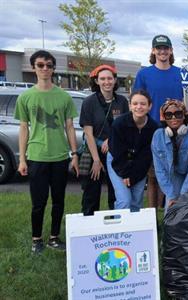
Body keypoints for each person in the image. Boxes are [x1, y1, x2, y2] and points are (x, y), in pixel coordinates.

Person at [15, 50, 79, 253]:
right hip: (37, 157)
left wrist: (74, 154)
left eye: (49, 65)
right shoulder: (26, 97)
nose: (45, 69)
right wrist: (22, 159)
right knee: (39, 202)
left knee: (58, 200)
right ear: (34, 67)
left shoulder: (63, 97)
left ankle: (54, 237)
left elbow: (69, 127)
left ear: (53, 68)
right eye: (41, 65)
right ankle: (37, 240)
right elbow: (24, 128)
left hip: (60, 156)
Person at [133, 34, 183, 210]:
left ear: (170, 50)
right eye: (159, 48)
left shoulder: (181, 73)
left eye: (166, 48)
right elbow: (137, 102)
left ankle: (170, 214)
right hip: (153, 131)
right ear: (153, 51)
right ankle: (153, 216)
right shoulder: (144, 74)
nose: (162, 51)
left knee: (173, 175)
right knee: (154, 176)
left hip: (177, 130)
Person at [79, 64, 129, 216]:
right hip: (94, 150)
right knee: (91, 191)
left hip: (115, 151)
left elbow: (125, 127)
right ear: (96, 81)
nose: (106, 82)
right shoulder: (89, 102)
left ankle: (114, 224)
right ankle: (89, 223)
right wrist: (96, 160)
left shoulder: (122, 101)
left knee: (116, 190)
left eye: (109, 78)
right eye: (102, 79)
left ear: (115, 81)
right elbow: (88, 132)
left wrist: (111, 140)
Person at [152, 100, 188, 215]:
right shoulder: (157, 136)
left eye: (178, 114)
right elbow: (160, 170)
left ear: (184, 116)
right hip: (175, 176)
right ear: (163, 118)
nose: (173, 118)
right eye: (168, 115)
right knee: (170, 211)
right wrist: (171, 195)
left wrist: (182, 195)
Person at [107, 90, 159, 212]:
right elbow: (117, 152)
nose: (139, 107)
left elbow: (146, 156)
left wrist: (134, 175)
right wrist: (125, 173)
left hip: (139, 164)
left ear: (149, 106)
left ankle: (134, 230)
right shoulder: (119, 124)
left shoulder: (153, 127)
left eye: (143, 104)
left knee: (136, 202)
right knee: (125, 201)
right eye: (135, 104)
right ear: (130, 106)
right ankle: (120, 229)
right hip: (118, 161)